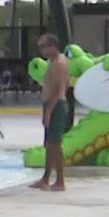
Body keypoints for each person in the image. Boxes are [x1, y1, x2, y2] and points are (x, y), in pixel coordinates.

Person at [33, 33, 70, 191]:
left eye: (44, 46)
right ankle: (46, 178)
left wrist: (48, 111)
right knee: (49, 144)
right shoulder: (57, 61)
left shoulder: (59, 63)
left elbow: (59, 89)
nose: (42, 50)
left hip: (56, 106)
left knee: (55, 144)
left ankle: (60, 181)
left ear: (53, 46)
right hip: (53, 105)